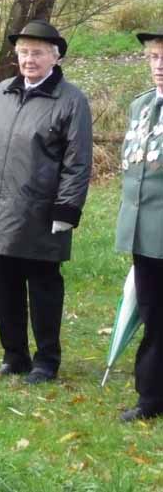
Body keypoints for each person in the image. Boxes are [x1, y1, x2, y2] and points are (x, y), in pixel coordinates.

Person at [0, 20, 92, 384]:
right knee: (4, 285)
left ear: (55, 57)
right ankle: (14, 356)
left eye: (37, 53)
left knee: (43, 286)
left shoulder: (71, 101)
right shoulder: (2, 93)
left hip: (41, 211)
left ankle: (46, 361)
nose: (28, 59)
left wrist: (67, 209)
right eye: (23, 52)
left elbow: (77, 162)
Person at [115, 29, 163, 421]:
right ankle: (152, 397)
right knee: (152, 313)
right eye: (154, 57)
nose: (159, 66)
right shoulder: (142, 105)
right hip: (144, 230)